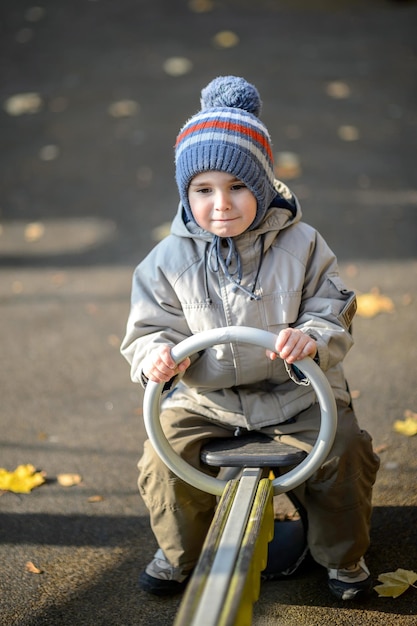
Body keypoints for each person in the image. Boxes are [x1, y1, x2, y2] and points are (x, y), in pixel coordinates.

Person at [121, 75, 380, 601]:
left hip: (296, 394)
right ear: (185, 192)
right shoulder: (166, 262)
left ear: (262, 185)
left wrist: (310, 337)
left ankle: (342, 555)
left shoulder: (303, 244)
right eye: (203, 190)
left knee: (345, 452)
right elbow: (148, 329)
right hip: (206, 399)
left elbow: (332, 306)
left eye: (237, 186)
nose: (221, 204)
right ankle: (180, 553)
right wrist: (156, 358)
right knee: (162, 459)